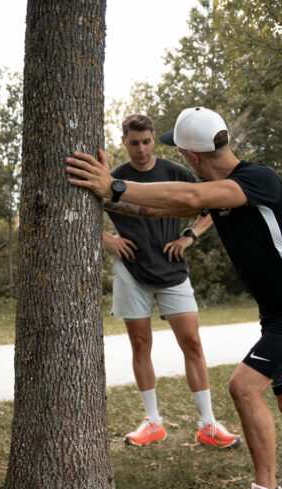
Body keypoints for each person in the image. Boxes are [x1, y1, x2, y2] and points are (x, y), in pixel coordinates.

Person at [67, 106, 282, 489]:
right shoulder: (219, 190)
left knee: (243, 388)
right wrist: (104, 196)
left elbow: (192, 200)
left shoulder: (257, 179)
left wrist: (116, 185)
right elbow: (160, 209)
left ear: (191, 156)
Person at [103, 113, 241, 450]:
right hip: (131, 270)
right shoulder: (115, 179)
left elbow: (212, 201)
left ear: (153, 139)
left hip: (172, 269)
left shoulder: (175, 172)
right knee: (140, 345)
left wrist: (189, 236)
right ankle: (152, 422)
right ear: (124, 142)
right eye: (134, 143)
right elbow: (84, 210)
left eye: (146, 141)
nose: (141, 149)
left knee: (192, 343)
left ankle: (208, 425)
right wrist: (108, 239)